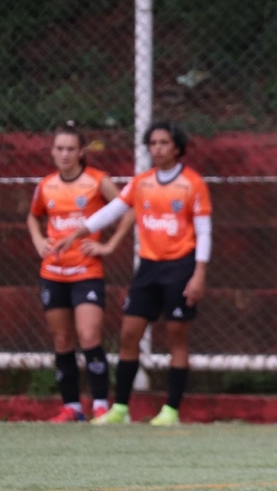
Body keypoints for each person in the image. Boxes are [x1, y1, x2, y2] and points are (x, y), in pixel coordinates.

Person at [53, 120, 212, 427]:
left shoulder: (193, 183)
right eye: (153, 143)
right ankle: (120, 408)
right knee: (128, 334)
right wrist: (78, 233)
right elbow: (113, 211)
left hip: (180, 267)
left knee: (176, 337)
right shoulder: (142, 182)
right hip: (148, 269)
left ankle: (171, 410)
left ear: (177, 147)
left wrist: (199, 273)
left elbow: (204, 231)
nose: (158, 149)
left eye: (164, 143)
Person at [26, 122, 135, 423]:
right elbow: (33, 217)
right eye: (59, 148)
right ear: (52, 151)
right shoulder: (45, 185)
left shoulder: (98, 181)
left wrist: (109, 245)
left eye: (70, 149)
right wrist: (38, 239)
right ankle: (72, 407)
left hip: (86, 270)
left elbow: (129, 209)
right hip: (53, 271)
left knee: (88, 335)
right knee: (62, 339)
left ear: (81, 152)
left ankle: (101, 404)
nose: (64, 154)